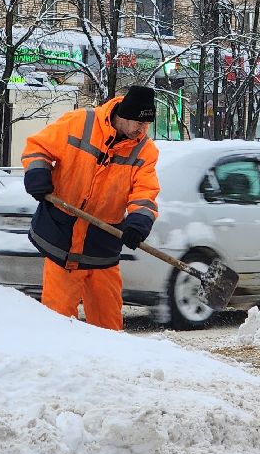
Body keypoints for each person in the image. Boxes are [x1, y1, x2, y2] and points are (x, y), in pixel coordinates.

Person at [21, 85, 161, 331]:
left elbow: (145, 192)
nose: (143, 129)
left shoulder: (144, 150)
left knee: (109, 328)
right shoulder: (79, 122)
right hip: (61, 239)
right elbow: (37, 148)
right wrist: (38, 173)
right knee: (58, 323)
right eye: (139, 122)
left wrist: (139, 221)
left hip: (102, 245)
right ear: (124, 115)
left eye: (147, 124)